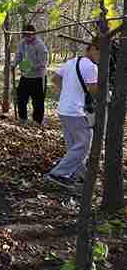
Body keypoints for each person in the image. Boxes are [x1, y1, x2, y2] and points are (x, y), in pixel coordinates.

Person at [45, 39, 100, 189]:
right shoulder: (91, 67)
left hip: (64, 109)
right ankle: (58, 174)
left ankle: (79, 175)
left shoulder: (71, 62)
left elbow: (55, 79)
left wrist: (68, 92)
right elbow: (94, 91)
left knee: (73, 146)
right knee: (83, 145)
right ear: (93, 49)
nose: (101, 57)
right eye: (100, 53)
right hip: (76, 111)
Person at [13, 24, 49, 125]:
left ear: (34, 34)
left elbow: (43, 62)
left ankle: (37, 121)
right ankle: (23, 118)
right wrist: (13, 64)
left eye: (29, 35)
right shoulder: (22, 43)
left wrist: (31, 66)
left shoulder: (40, 46)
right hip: (25, 76)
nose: (26, 38)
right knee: (21, 98)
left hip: (38, 77)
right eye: (25, 35)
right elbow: (18, 55)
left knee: (38, 101)